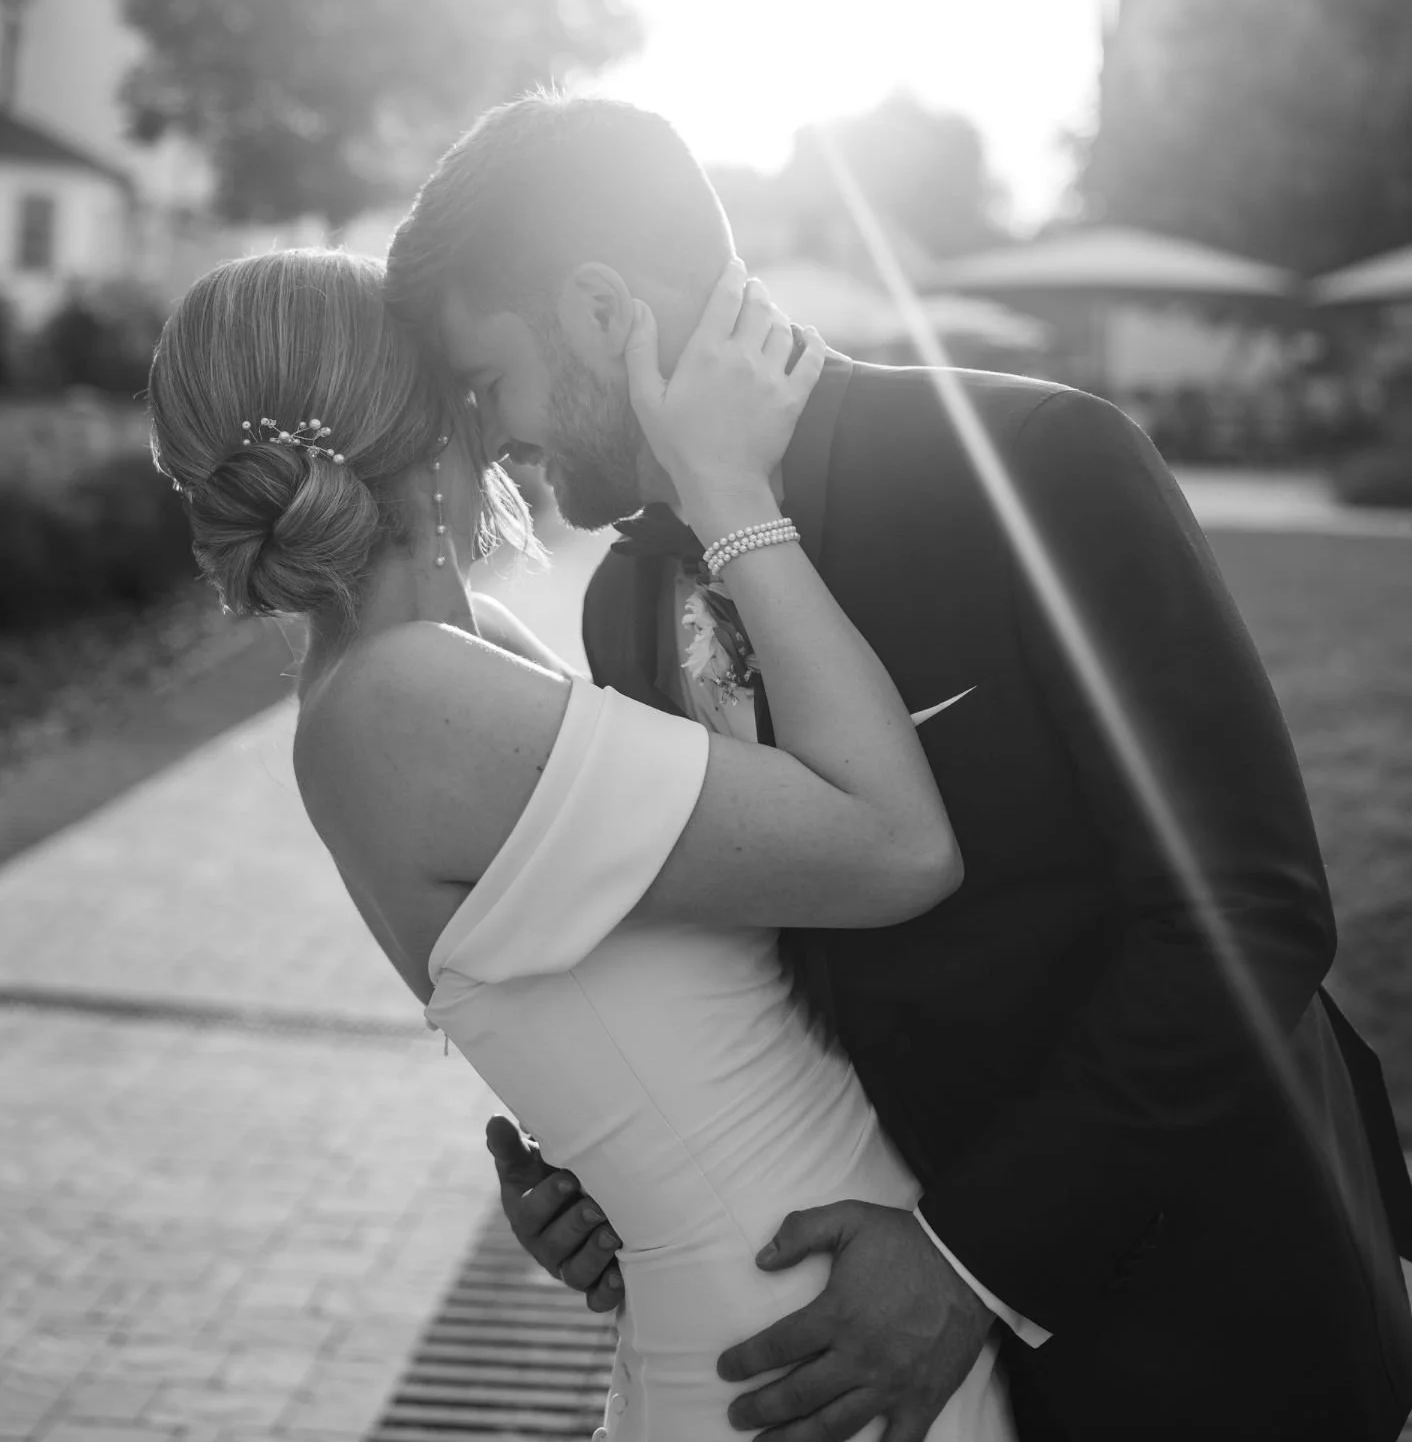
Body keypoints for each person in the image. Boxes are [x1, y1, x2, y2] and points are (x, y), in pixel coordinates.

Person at [386, 93, 1412, 1442]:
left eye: (484, 382)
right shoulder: (625, 607)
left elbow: (1248, 911)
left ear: (598, 310)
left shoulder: (1037, 466)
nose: (488, 436)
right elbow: (750, 964)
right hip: (895, 1366)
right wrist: (612, 1179)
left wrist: (967, 1262)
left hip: (1212, 1322)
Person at [147, 246, 1018, 1442]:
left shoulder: (438, 662)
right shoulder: (404, 700)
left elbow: (600, 998)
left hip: (805, 1314)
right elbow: (895, 845)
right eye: (470, 379)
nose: (502, 414)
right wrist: (731, 496)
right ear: (431, 409)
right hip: (804, 1347)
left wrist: (594, 1169)